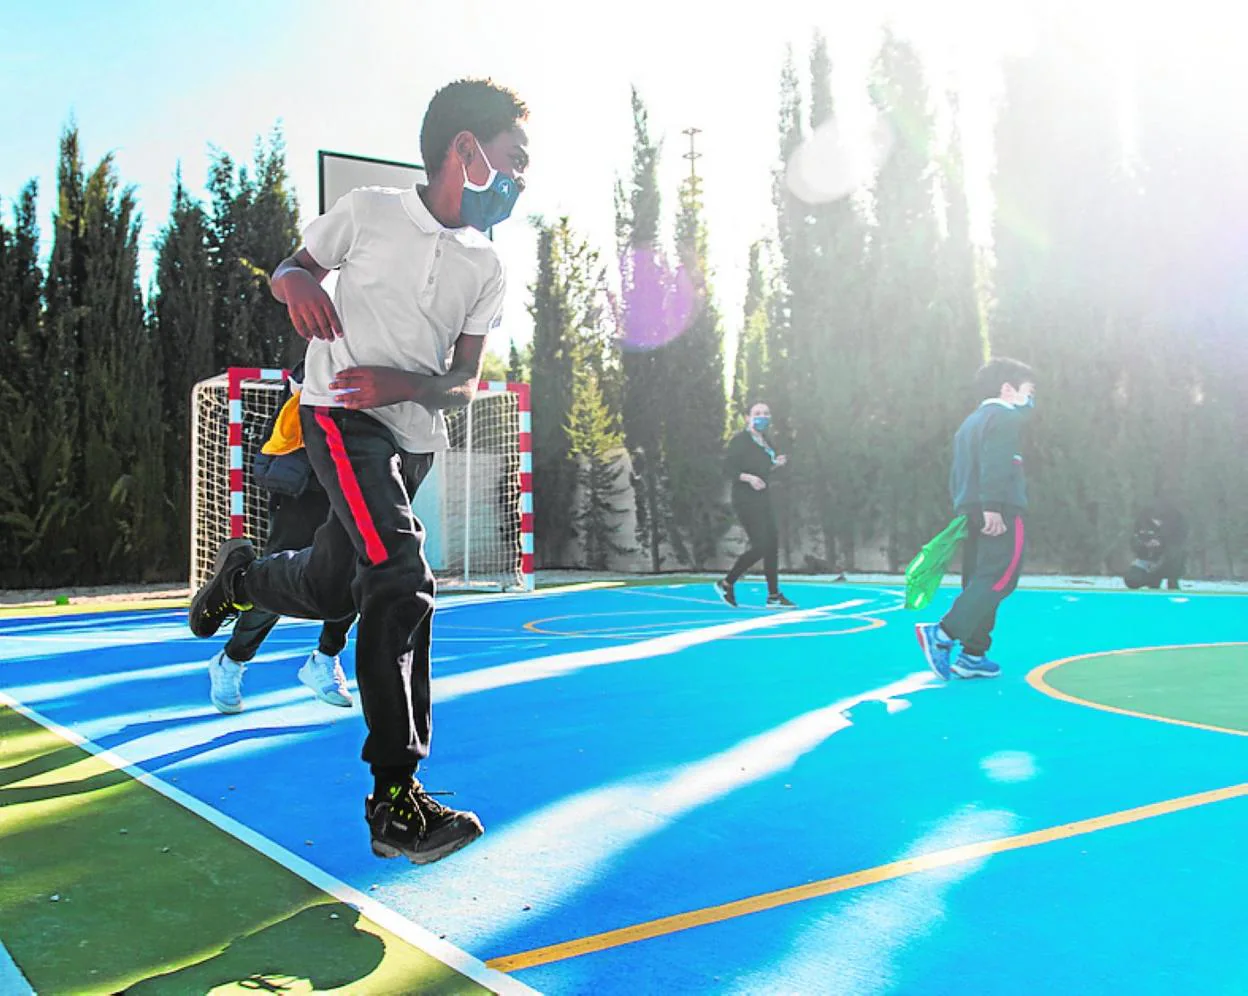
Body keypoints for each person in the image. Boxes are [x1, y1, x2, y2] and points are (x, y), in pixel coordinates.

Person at [188, 78, 529, 866]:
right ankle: (395, 798)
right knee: (403, 577)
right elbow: (291, 267)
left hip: (412, 436)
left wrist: (404, 386)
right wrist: (295, 279)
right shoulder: (372, 211)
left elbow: (464, 382)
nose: (521, 180)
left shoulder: (486, 266)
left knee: (336, 583)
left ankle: (243, 581)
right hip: (339, 413)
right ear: (466, 151)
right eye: (514, 160)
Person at [206, 364, 355, 715]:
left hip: (353, 478)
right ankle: (231, 661)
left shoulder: (384, 347)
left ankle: (326, 657)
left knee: (357, 572)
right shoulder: (322, 352)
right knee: (275, 583)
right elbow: (303, 402)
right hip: (304, 484)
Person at [916, 357, 1036, 680]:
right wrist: (993, 506)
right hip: (1000, 511)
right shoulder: (1005, 418)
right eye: (1028, 390)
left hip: (971, 510)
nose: (1031, 397)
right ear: (1008, 389)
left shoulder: (970, 423)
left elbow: (960, 473)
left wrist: (970, 508)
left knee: (979, 580)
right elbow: (997, 464)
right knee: (1000, 578)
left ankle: (973, 653)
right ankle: (942, 634)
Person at [715, 402, 796, 609]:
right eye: (757, 413)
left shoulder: (766, 441)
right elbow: (727, 469)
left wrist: (775, 464)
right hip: (745, 498)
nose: (762, 417)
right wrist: (749, 478)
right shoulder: (740, 440)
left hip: (763, 497)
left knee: (772, 544)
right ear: (748, 417)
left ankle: (774, 595)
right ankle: (727, 582)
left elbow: (763, 468)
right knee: (760, 545)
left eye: (766, 413)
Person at [1124, 500, 1187, 590]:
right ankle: (1151, 580)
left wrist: (1161, 545)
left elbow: (1175, 548)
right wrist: (1145, 545)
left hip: (1166, 560)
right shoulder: (1143, 524)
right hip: (1147, 559)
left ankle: (1171, 581)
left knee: (1174, 561)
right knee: (1132, 580)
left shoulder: (1175, 527)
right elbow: (1134, 543)